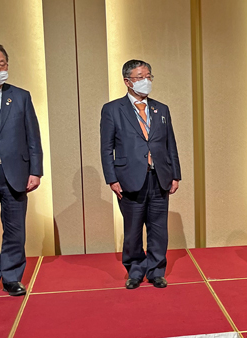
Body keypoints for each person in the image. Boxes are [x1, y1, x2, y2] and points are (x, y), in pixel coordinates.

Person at [100, 60, 181, 289]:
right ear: (127, 81)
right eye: (139, 77)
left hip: (160, 177)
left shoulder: (161, 109)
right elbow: (106, 148)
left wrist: (176, 174)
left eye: (148, 76)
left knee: (158, 228)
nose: (145, 81)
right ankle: (135, 270)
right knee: (133, 229)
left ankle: (156, 271)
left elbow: (170, 144)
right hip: (129, 178)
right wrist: (112, 178)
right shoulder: (112, 109)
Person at [0, 44, 43, 296]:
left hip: (15, 173)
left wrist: (35, 171)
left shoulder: (21, 96)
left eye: (2, 64)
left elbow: (33, 137)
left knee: (15, 229)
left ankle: (12, 277)